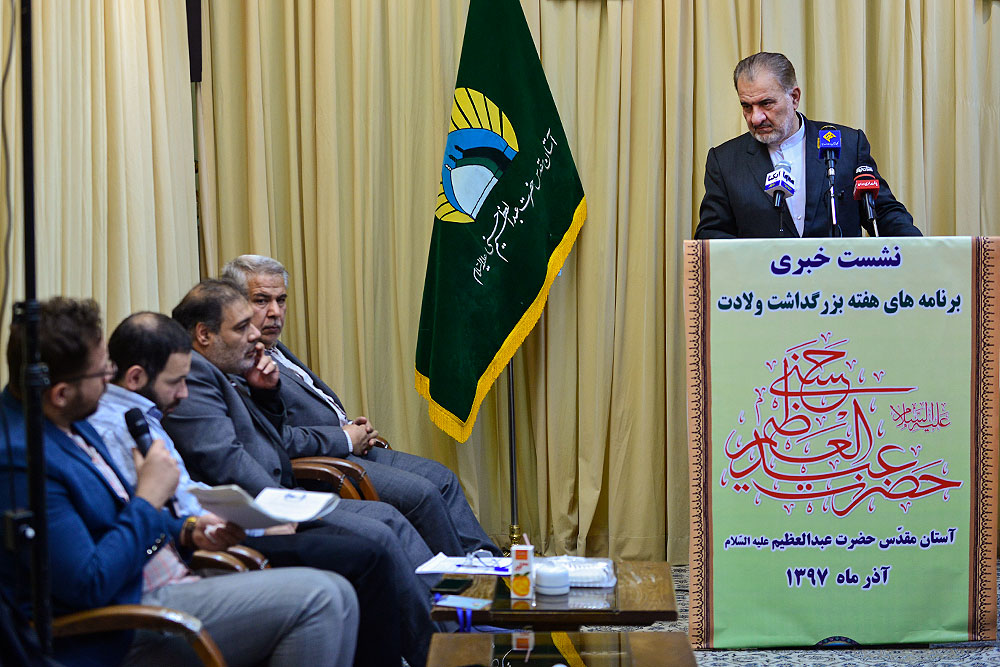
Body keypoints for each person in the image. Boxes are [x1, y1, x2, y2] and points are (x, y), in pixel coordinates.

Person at [0, 298, 358, 667]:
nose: (111, 380)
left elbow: (111, 516)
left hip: (162, 581)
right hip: (120, 627)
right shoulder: (22, 462)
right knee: (320, 597)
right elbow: (90, 584)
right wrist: (148, 497)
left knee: (340, 593)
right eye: (102, 372)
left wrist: (187, 530)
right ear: (60, 394)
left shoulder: (62, 417)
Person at [88, 311, 407, 667]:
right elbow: (171, 498)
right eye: (176, 382)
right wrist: (255, 521)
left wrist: (267, 397)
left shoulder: (145, 412)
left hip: (224, 522)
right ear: (135, 378)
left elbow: (186, 490)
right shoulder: (116, 429)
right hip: (202, 549)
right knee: (364, 557)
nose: (183, 393)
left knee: (367, 547)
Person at [161, 279, 436, 667]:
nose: (255, 334)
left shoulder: (227, 367)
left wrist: (267, 395)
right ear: (204, 335)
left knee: (391, 519)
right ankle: (434, 652)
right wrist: (278, 509)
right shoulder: (194, 373)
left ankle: (446, 634)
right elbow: (225, 459)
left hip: (284, 497)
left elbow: (270, 441)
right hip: (257, 513)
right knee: (379, 534)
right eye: (242, 326)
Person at [222, 254, 501, 556]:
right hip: (322, 463)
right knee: (423, 494)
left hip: (350, 446)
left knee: (443, 479)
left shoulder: (273, 347)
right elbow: (274, 438)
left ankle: (491, 564)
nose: (275, 312)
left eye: (281, 300)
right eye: (261, 301)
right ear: (234, 305)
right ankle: (460, 576)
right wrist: (343, 437)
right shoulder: (240, 363)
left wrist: (351, 429)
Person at [696, 51, 922, 239]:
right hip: (765, 279)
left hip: (838, 276)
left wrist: (922, 253)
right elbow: (711, 234)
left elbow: (883, 213)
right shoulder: (725, 161)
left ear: (794, 97)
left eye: (766, 103)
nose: (755, 118)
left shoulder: (848, 145)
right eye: (747, 106)